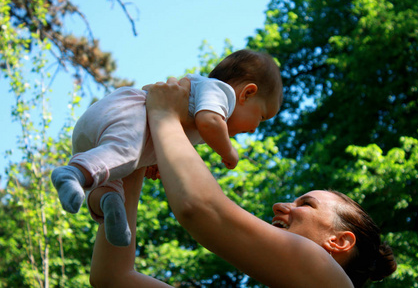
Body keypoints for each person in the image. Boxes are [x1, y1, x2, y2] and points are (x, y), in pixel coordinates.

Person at [89, 78, 397, 288]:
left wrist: (165, 116)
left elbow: (201, 209)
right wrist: (134, 162)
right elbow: (113, 278)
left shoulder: (329, 279)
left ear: (340, 241)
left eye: (306, 204)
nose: (279, 205)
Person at [51, 49, 283, 247]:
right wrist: (229, 151)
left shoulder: (198, 102)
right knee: (126, 155)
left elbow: (167, 130)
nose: (254, 129)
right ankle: (72, 173)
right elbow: (209, 122)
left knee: (112, 180)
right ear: (247, 93)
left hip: (103, 132)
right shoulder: (221, 93)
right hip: (130, 113)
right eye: (261, 117)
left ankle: (108, 204)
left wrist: (154, 159)